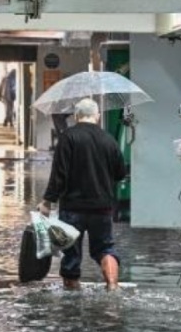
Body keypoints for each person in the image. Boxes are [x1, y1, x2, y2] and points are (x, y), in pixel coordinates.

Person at [37, 98, 127, 291]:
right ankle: (112, 285)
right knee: (105, 248)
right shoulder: (109, 139)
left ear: (76, 116)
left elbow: (59, 174)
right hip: (102, 207)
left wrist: (47, 201)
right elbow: (120, 173)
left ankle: (72, 293)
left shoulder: (68, 137)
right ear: (97, 116)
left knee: (71, 253)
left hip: (72, 207)